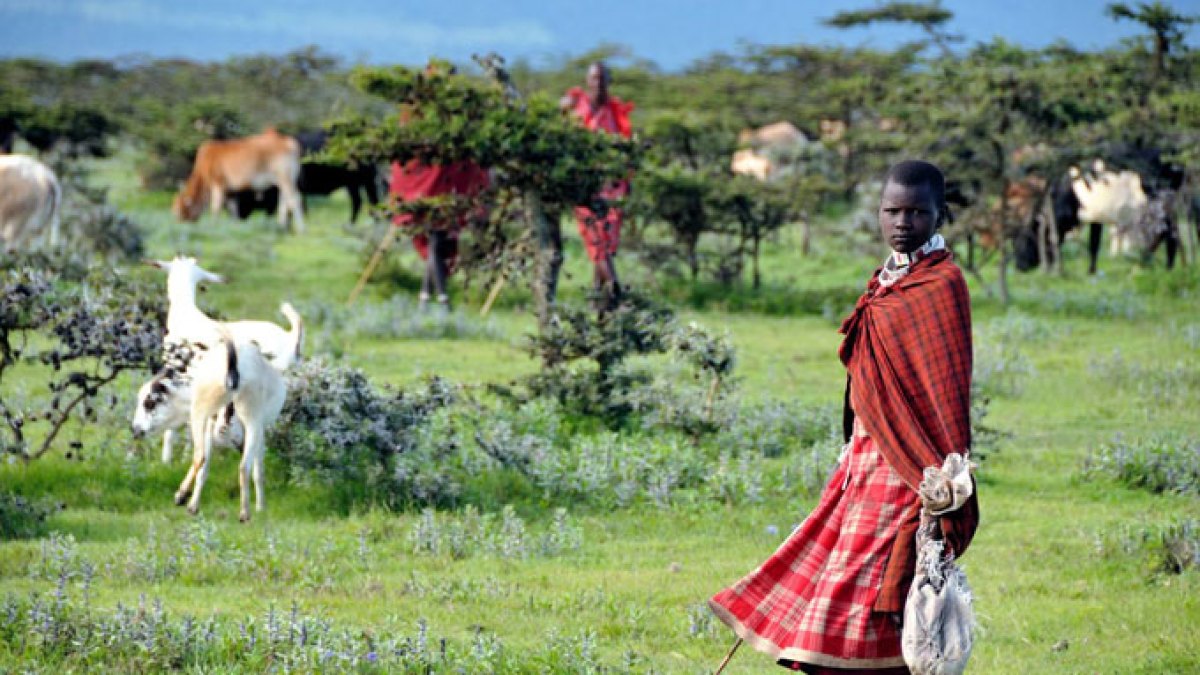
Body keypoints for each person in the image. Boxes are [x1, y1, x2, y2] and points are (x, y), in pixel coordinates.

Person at [709, 160, 980, 674]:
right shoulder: (884, 281)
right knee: (835, 573)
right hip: (862, 458)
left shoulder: (943, 284)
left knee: (881, 584)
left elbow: (945, 391)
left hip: (912, 470)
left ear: (939, 214)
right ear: (878, 214)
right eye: (892, 211)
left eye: (917, 212)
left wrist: (943, 478)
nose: (903, 222)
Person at [388, 66, 490, 312]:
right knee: (435, 239)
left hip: (451, 186)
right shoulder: (417, 110)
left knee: (441, 241)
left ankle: (425, 297)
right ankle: (442, 300)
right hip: (424, 189)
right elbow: (408, 151)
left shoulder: (459, 110)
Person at [560, 61, 634, 309]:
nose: (597, 84)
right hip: (585, 188)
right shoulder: (575, 105)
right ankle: (615, 291)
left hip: (613, 188)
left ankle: (599, 303)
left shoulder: (615, 112)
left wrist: (627, 181)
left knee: (607, 245)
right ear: (587, 80)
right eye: (593, 79)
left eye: (602, 80)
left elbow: (625, 148)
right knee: (596, 240)